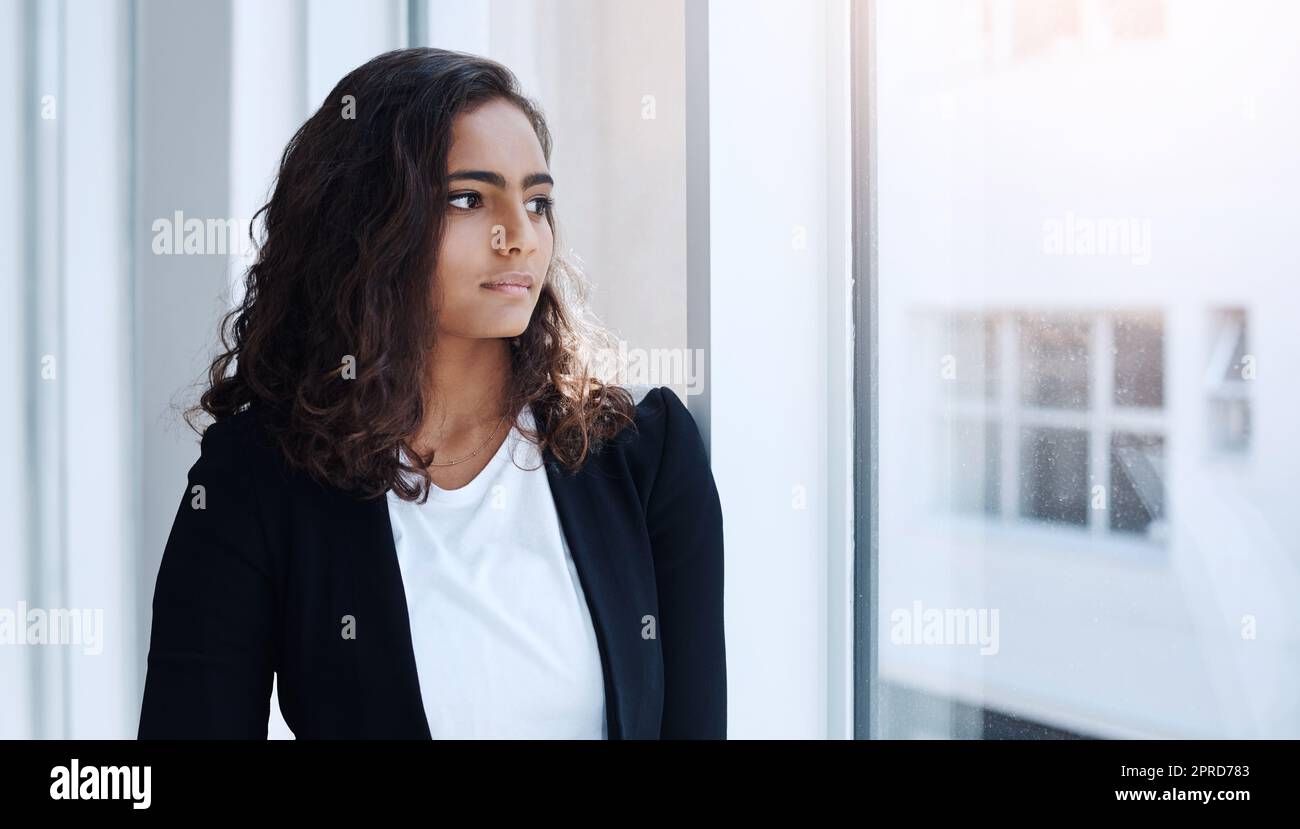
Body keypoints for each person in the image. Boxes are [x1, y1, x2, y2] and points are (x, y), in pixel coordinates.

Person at [136, 47, 725, 740]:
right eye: (470, 199)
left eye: (537, 202)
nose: (521, 238)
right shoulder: (258, 477)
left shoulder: (644, 455)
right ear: (367, 223)